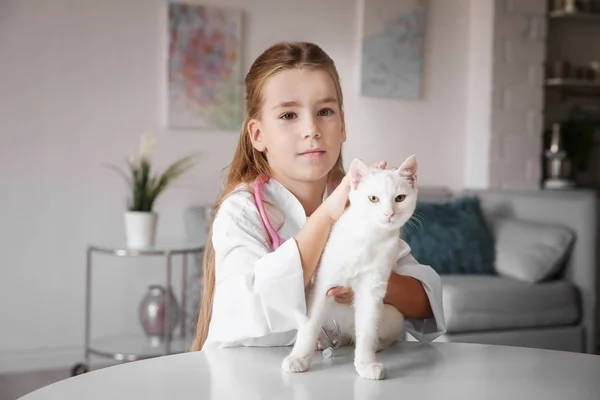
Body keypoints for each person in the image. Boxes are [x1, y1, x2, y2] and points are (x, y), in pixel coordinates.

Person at [190, 41, 446, 351]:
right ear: (258, 135)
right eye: (288, 115)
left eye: (324, 111)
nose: (311, 128)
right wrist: (325, 216)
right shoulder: (243, 211)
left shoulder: (364, 204)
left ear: (342, 126)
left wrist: (370, 280)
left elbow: (424, 304)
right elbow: (245, 311)